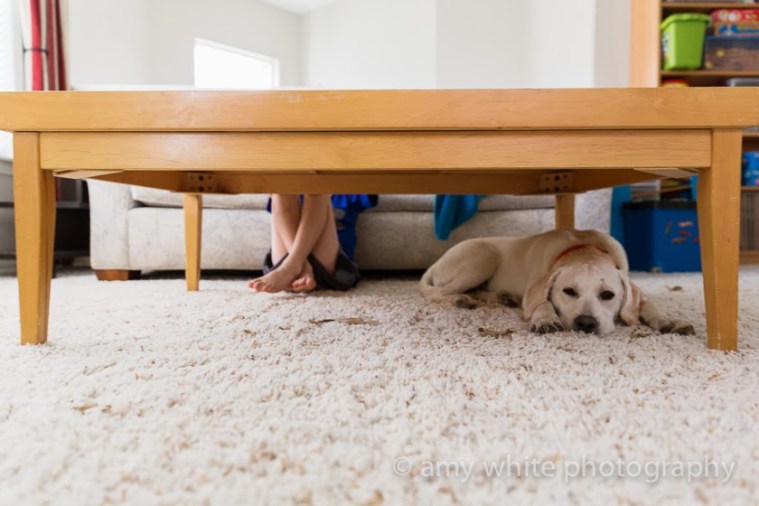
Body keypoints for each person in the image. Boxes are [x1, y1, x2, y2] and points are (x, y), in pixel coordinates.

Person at [248, 193, 377, 294]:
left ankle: (292, 265)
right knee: (282, 188)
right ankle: (297, 265)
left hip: (331, 268)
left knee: (318, 188)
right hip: (284, 265)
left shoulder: (346, 194)